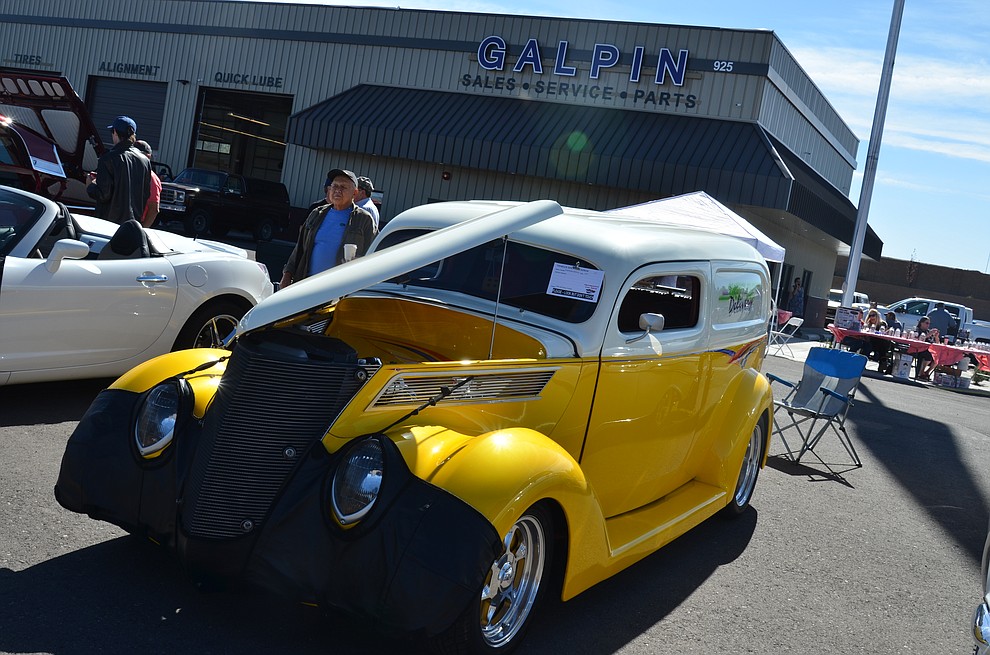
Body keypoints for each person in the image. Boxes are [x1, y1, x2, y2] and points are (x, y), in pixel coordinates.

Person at [280, 168, 377, 289]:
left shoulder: (364, 219)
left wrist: (359, 262)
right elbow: (299, 248)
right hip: (306, 285)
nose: (337, 190)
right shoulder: (317, 213)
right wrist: (287, 275)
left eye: (343, 187)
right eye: (334, 186)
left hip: (338, 290)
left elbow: (375, 254)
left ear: (355, 193)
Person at [86, 116, 151, 224]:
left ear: (115, 132)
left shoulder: (108, 158)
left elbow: (103, 194)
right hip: (132, 223)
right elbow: (145, 194)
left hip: (108, 223)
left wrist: (90, 185)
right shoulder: (144, 161)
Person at [133, 140, 161, 228]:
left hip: (135, 224)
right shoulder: (130, 171)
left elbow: (154, 209)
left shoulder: (151, 178)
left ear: (148, 157)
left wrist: (141, 230)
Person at [913, 316, 937, 381]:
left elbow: (936, 343)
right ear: (921, 323)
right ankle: (921, 372)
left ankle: (926, 373)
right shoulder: (917, 330)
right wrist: (928, 335)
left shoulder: (928, 331)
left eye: (929, 323)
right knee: (928, 355)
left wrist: (936, 337)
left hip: (928, 349)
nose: (928, 325)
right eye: (927, 323)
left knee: (937, 357)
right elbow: (918, 339)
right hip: (918, 348)